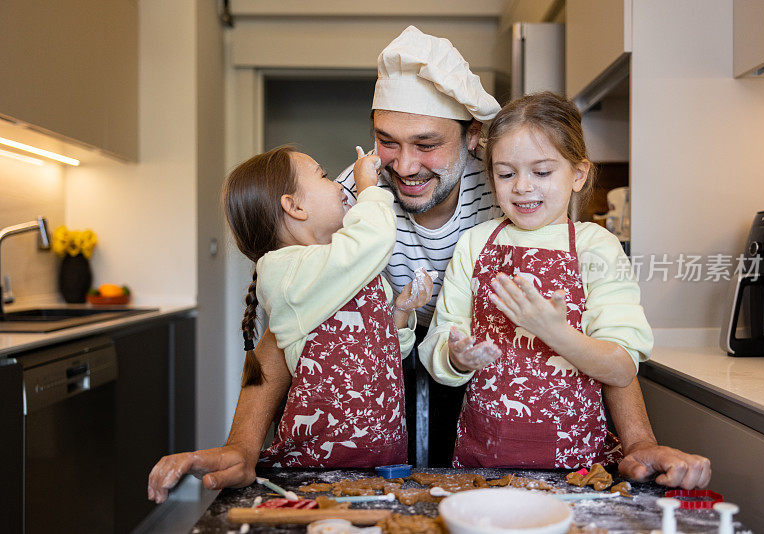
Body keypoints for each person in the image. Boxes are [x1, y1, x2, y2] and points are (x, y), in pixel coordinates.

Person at [147, 26, 711, 503]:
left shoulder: (509, 199)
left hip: (490, 412)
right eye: (386, 142)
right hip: (376, 405)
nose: (405, 165)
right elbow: (285, 322)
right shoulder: (351, 204)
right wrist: (243, 445)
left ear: (471, 142)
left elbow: (605, 336)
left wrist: (638, 443)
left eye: (427, 143)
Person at [147, 145, 434, 501]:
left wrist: (402, 312)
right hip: (312, 470)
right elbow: (372, 240)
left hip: (382, 460)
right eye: (324, 176)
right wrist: (368, 189)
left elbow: (385, 352)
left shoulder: (353, 269)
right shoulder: (287, 271)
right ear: (294, 207)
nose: (338, 184)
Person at [418, 91, 651, 468]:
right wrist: (456, 357)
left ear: (578, 174)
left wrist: (553, 331)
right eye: (506, 173)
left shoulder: (596, 247)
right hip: (484, 462)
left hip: (578, 467)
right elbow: (439, 342)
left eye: (541, 172)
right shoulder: (476, 243)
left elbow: (621, 367)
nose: (522, 186)